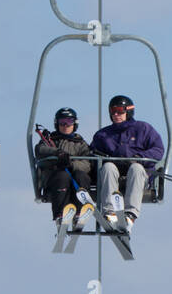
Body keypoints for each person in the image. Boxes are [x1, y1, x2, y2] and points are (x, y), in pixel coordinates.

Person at [88, 95, 164, 228]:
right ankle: (109, 212)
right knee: (108, 167)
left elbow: (158, 150)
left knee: (136, 168)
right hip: (114, 176)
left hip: (137, 175)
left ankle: (130, 214)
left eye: (120, 111)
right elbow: (92, 155)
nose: (116, 114)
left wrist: (139, 157)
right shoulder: (103, 135)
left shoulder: (143, 129)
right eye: (113, 111)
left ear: (128, 111)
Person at [35, 109, 94, 223]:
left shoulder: (80, 144)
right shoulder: (51, 140)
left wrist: (72, 164)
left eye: (69, 122)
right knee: (62, 176)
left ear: (74, 124)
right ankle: (60, 213)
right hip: (55, 178)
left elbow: (87, 163)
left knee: (81, 176)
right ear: (57, 124)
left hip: (74, 177)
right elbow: (40, 150)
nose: (65, 125)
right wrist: (57, 153)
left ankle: (80, 212)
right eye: (62, 122)